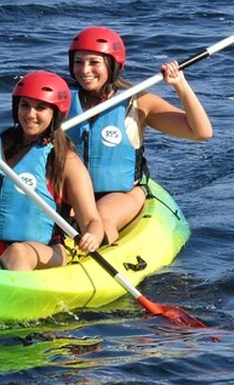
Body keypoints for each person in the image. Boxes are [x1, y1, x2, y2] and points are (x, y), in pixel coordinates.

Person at [0, 70, 104, 271]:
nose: (30, 114)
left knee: (17, 252)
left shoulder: (66, 160)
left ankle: (7, 289)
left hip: (41, 249)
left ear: (56, 113)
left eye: (41, 108)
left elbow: (92, 220)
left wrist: (92, 237)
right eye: (25, 106)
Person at [66, 26, 213, 244]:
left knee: (100, 219)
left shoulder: (138, 102)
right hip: (71, 193)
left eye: (94, 62)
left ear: (112, 65)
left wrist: (180, 86)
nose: (85, 70)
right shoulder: (61, 103)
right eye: (79, 62)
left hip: (121, 193)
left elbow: (201, 132)